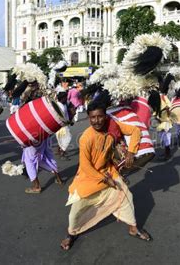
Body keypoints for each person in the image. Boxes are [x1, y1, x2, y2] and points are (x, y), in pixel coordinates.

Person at [60, 102, 152, 250]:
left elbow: (135, 131)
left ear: (106, 116)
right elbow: (85, 166)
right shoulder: (86, 138)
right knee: (76, 210)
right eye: (92, 118)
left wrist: (131, 151)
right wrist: (104, 179)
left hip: (108, 170)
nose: (97, 121)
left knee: (126, 195)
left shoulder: (113, 126)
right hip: (88, 177)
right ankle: (71, 233)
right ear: (89, 118)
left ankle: (133, 227)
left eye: (100, 116)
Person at [56, 89, 73, 160]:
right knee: (68, 138)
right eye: (65, 98)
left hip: (64, 124)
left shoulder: (63, 104)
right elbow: (61, 118)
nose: (67, 99)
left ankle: (59, 150)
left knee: (61, 138)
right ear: (62, 98)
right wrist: (70, 122)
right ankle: (62, 153)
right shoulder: (60, 106)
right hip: (62, 125)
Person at [156, 92, 173, 160]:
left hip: (166, 119)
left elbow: (169, 105)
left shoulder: (163, 96)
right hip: (159, 120)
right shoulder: (153, 99)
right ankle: (166, 151)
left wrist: (164, 110)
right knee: (162, 136)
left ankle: (167, 153)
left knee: (166, 136)